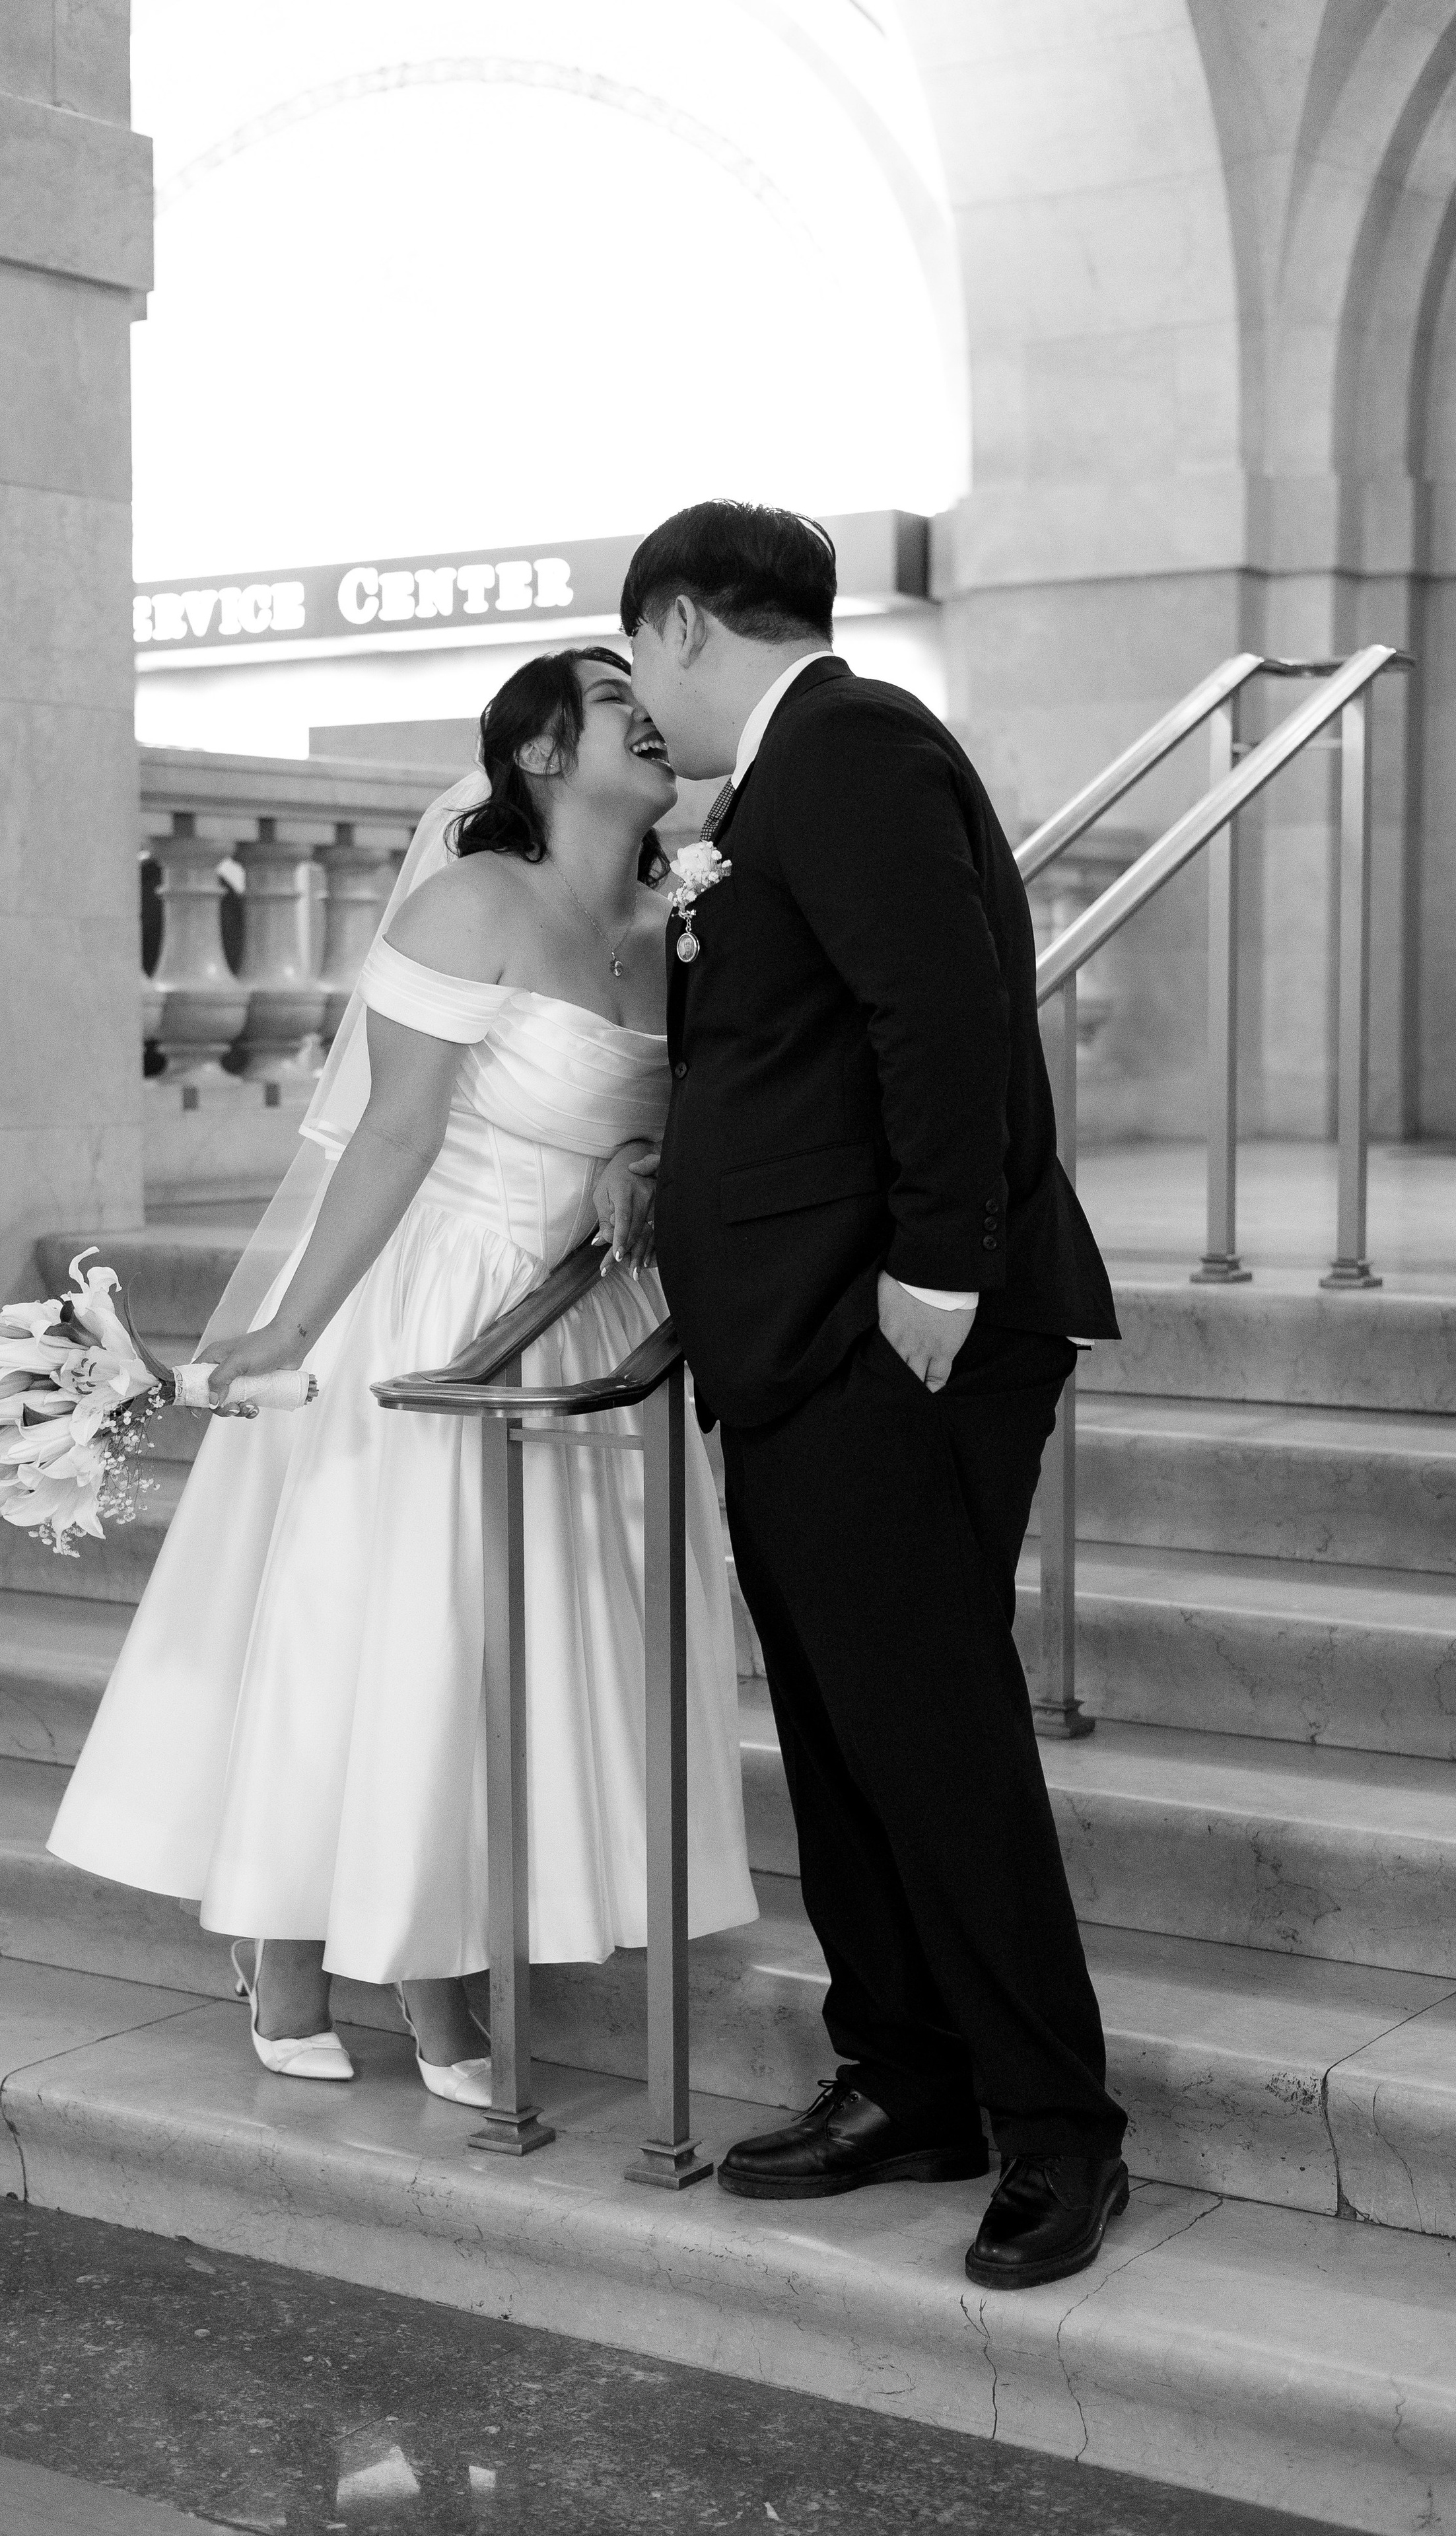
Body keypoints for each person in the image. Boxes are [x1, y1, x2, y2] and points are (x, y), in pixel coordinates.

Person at [48, 647, 756, 2101]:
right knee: (412, 1634)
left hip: (591, 1318)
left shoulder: (683, 910)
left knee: (535, 1640)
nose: (656, 725)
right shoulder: (469, 903)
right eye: (622, 710)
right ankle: (337, 1958)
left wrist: (648, 1151)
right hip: (440, 1305)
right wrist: (293, 1330)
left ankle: (456, 1944)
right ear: (547, 756)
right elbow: (392, 1134)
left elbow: (725, 1091)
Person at [623, 501, 1127, 2290]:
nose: (639, 702)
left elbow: (947, 1012)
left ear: (683, 621)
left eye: (638, 661)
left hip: (888, 1339)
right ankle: (909, 2078)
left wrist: (936, 1277)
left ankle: (1059, 2129)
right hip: (802, 1342)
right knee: (845, 1737)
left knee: (934, 1741)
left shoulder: (847, 746)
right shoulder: (774, 788)